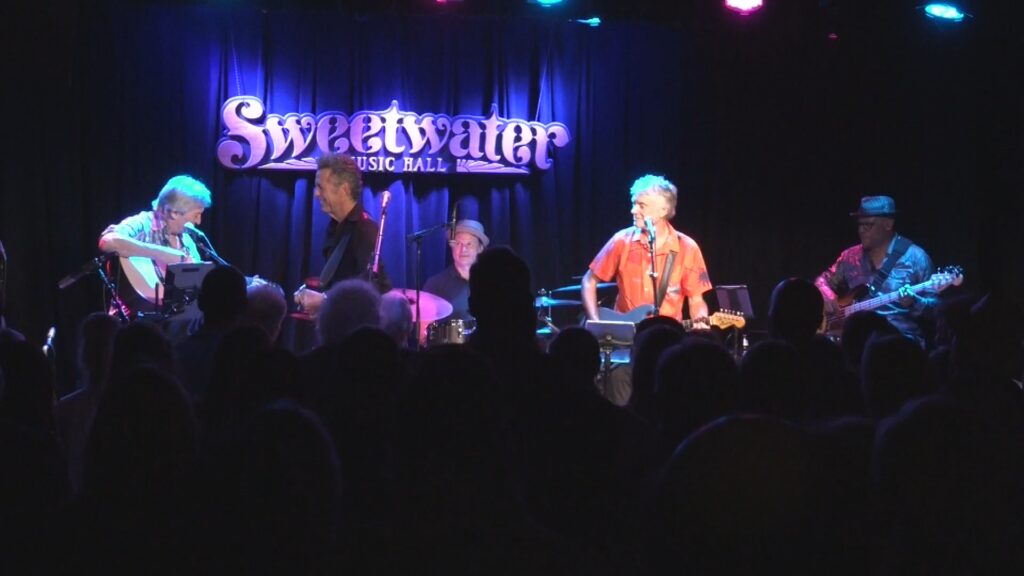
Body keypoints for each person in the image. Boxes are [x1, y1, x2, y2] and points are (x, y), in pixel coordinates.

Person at [582, 174, 712, 325]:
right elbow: (589, 281)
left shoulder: (687, 248)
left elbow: (696, 300)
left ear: (663, 210)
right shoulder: (621, 241)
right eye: (634, 203)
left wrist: (700, 321)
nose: (633, 210)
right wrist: (596, 322)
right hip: (625, 333)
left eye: (641, 206)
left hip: (668, 333)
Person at [814, 196, 936, 347]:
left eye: (868, 225)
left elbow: (936, 310)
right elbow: (822, 280)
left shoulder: (916, 258)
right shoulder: (850, 256)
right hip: (856, 345)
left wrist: (915, 302)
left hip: (902, 346)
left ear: (888, 224)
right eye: (859, 225)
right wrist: (827, 295)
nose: (861, 230)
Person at [97, 174, 213, 315]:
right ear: (174, 213)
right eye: (196, 215)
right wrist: (165, 254)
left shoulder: (187, 239)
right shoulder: (143, 223)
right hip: (135, 320)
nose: (199, 221)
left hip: (180, 320)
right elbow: (107, 242)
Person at [293, 153, 391, 318]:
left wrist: (324, 300)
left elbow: (367, 289)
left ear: (344, 189)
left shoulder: (365, 229)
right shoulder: (334, 226)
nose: (316, 194)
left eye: (321, 187)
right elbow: (339, 282)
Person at [423, 219, 488, 322]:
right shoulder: (435, 284)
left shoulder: (493, 281)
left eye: (469, 244)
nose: (463, 249)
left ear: (480, 248)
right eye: (458, 244)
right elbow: (424, 327)